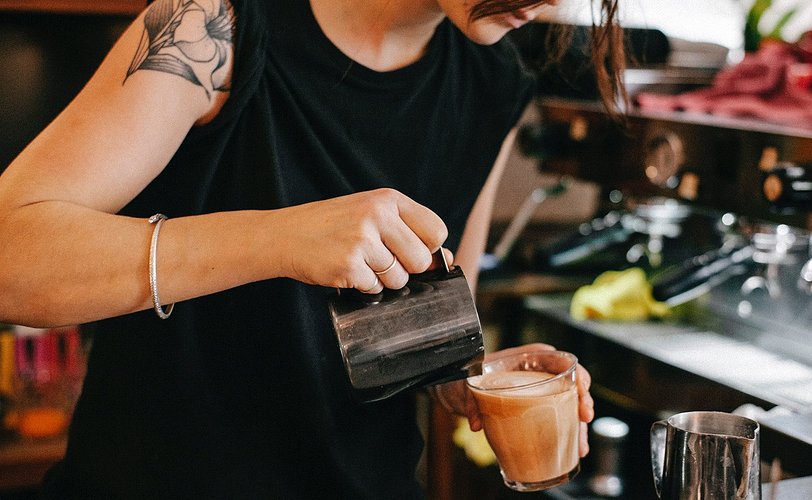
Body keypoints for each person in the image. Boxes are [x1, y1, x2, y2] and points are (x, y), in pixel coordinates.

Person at [0, 0, 625, 497]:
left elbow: (421, 327)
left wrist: (467, 380)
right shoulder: (210, 26)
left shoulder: (494, 84)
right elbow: (11, 257)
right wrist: (280, 237)